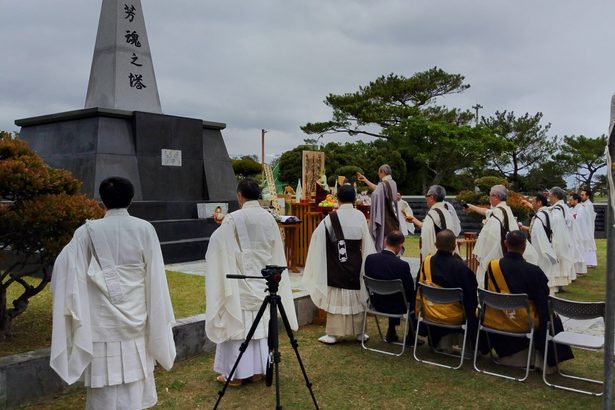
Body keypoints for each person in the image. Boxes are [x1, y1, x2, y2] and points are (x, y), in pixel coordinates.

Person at [50, 176, 176, 409]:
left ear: (101, 202)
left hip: (101, 323)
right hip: (136, 320)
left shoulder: (85, 233)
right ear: (131, 200)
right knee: (133, 387)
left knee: (103, 393)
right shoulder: (144, 229)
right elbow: (155, 278)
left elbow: (65, 271)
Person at [205, 178, 298, 386]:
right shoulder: (268, 218)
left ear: (240, 196)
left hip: (240, 278)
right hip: (265, 278)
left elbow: (220, 246)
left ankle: (237, 373)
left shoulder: (233, 218)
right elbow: (276, 248)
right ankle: (258, 370)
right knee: (260, 324)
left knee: (241, 322)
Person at [482, 231, 573, 370]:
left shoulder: (492, 266)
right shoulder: (534, 271)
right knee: (550, 317)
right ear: (524, 247)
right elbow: (543, 301)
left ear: (505, 244)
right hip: (523, 324)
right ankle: (546, 361)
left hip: (496, 320)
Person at [303, 184, 376, 344]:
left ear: (338, 199)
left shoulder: (331, 217)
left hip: (338, 262)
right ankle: (360, 332)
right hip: (356, 262)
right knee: (357, 296)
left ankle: (333, 334)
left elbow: (317, 238)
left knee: (337, 295)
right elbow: (366, 241)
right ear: (355, 198)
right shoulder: (359, 216)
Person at [415, 229, 478, 353]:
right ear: (455, 246)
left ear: (435, 245)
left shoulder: (426, 263)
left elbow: (418, 288)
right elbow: (471, 298)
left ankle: (437, 342)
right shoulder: (462, 268)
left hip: (430, 313)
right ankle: (471, 346)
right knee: (472, 308)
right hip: (454, 317)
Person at [469, 184, 538, 287]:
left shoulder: (497, 214)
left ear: (496, 196)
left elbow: (489, 238)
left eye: (490, 195)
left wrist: (483, 254)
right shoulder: (506, 210)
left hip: (497, 257)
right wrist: (471, 206)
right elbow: (487, 212)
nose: (489, 198)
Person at [364, 230, 415, 344]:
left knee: (395, 295)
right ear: (401, 245)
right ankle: (411, 336)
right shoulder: (402, 265)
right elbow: (409, 291)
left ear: (386, 241)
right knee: (412, 298)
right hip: (397, 306)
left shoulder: (370, 259)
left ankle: (391, 330)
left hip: (376, 303)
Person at [357, 164, 403, 252]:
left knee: (384, 243)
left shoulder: (383, 184)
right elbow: (379, 189)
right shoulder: (392, 183)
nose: (379, 175)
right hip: (393, 219)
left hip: (384, 218)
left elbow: (376, 193)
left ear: (382, 172)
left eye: (379, 173)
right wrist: (366, 180)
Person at [520, 193, 558, 293]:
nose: (531, 204)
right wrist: (524, 228)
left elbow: (537, 234)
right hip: (547, 246)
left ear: (539, 202)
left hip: (540, 249)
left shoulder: (541, 216)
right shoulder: (547, 213)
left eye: (533, 202)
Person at [406, 185, 455, 261]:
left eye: (427, 196)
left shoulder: (432, 214)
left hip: (437, 256)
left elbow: (426, 238)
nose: (426, 199)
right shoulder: (446, 211)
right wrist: (413, 220)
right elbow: (431, 227)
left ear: (431, 197)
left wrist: (427, 261)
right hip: (449, 254)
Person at [548, 187, 576, 287]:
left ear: (555, 196)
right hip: (566, 238)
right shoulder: (564, 207)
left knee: (558, 262)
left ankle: (557, 285)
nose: (549, 198)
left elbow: (555, 224)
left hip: (559, 238)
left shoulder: (557, 209)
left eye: (550, 196)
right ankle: (561, 284)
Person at [568, 193, 590, 277]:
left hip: (579, 233)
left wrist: (572, 218)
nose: (569, 201)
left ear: (576, 200)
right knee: (575, 250)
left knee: (579, 250)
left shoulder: (581, 209)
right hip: (574, 232)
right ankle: (576, 269)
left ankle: (580, 270)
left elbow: (578, 220)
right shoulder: (572, 208)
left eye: (571, 200)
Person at [580, 187, 598, 268]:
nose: (581, 196)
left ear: (587, 196)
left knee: (589, 244)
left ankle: (591, 262)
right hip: (584, 228)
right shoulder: (583, 204)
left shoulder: (589, 205)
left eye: (583, 195)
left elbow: (589, 217)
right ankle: (587, 261)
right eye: (581, 195)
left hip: (588, 228)